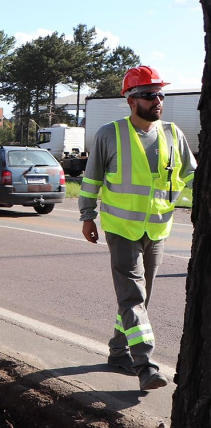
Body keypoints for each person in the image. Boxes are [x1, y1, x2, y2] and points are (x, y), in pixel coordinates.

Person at [79, 65, 196, 392]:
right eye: (148, 95)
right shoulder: (110, 134)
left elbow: (191, 175)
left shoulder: (173, 134)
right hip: (121, 229)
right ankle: (145, 365)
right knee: (133, 296)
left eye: (160, 95)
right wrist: (87, 216)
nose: (157, 101)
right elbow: (91, 180)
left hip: (157, 230)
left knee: (140, 299)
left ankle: (119, 352)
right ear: (131, 101)